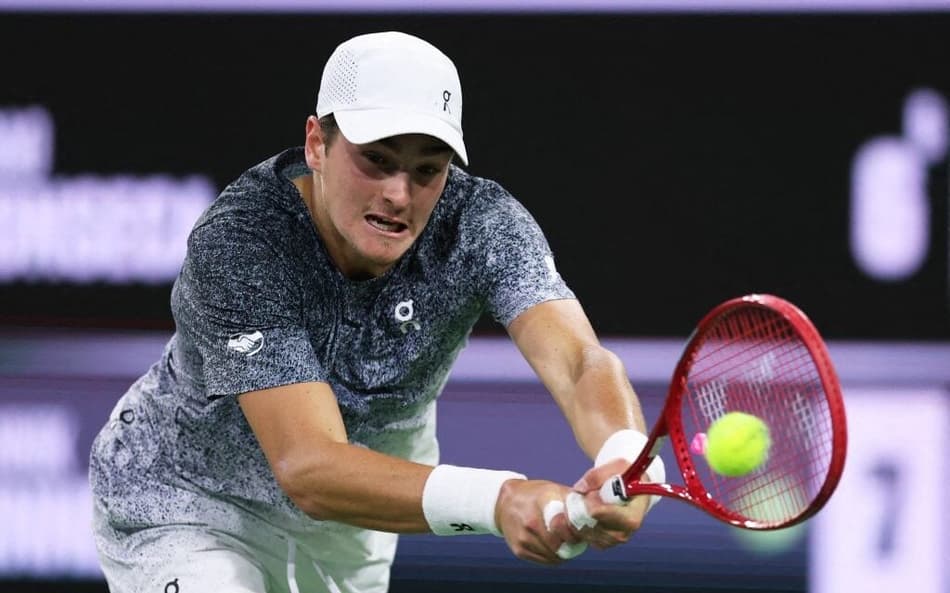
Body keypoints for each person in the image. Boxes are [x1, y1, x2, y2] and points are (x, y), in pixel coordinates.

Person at [88, 31, 665, 593]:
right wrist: (500, 499)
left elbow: (579, 361)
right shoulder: (244, 242)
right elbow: (309, 466)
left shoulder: (482, 225)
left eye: (427, 170)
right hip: (186, 504)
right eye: (376, 160)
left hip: (348, 540)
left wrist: (624, 456)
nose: (398, 194)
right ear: (316, 144)